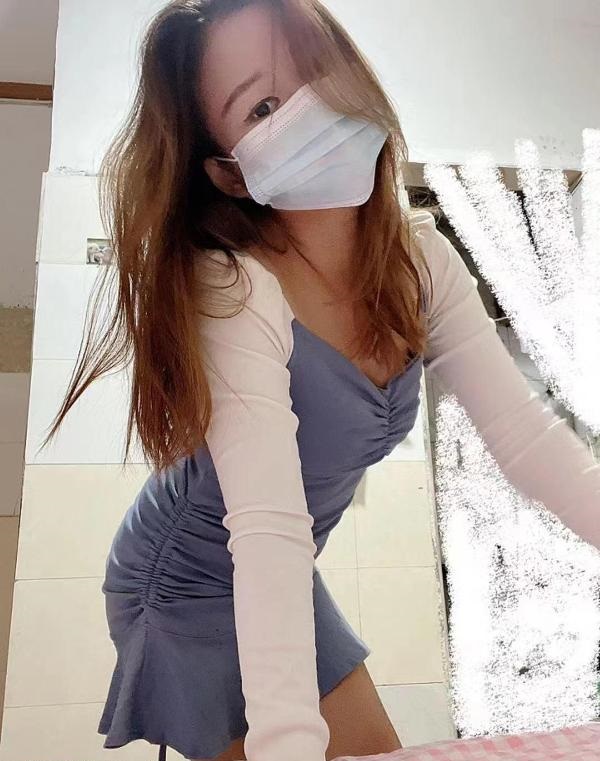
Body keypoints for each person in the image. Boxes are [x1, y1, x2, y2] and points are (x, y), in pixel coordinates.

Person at [43, 1, 600, 760]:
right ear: (230, 173)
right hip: (186, 575)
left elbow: (527, 441)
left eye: (317, 68)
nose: (312, 106)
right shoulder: (235, 288)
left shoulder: (422, 264)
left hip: (283, 568)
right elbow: (267, 526)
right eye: (264, 107)